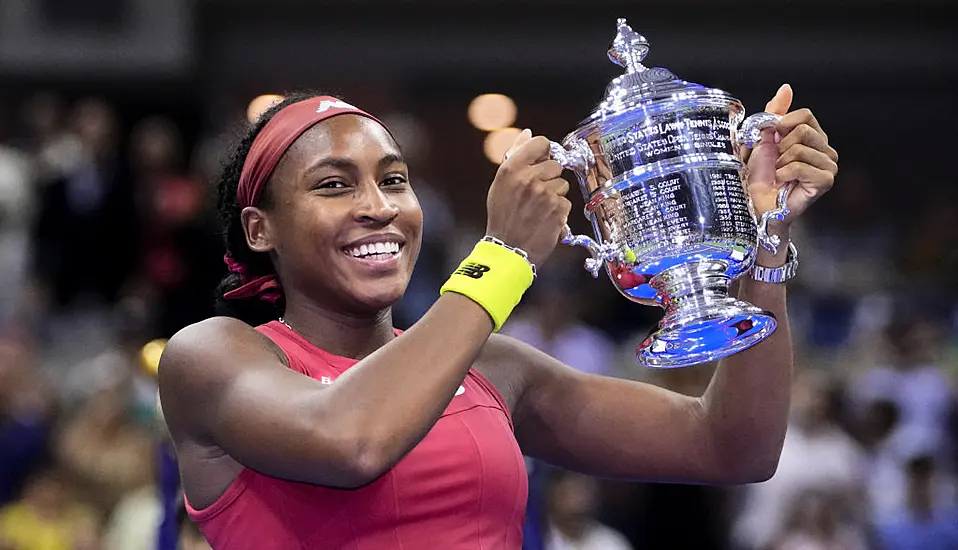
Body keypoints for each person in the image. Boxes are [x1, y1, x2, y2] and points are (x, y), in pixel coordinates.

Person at [158, 84, 839, 549]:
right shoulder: (212, 357)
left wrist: (764, 239)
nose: (379, 206)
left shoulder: (493, 367)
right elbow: (350, 442)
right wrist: (503, 256)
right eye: (334, 185)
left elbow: (734, 447)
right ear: (258, 229)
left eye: (394, 180)